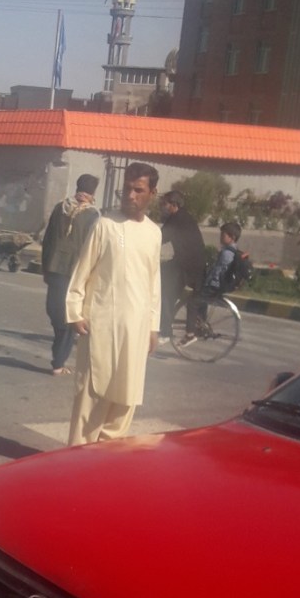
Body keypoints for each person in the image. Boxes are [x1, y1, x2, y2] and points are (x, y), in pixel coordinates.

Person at [65, 161, 162, 446]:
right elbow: (81, 272)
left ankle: (105, 463)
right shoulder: (104, 225)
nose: (131, 196)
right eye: (127, 190)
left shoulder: (154, 233)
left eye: (138, 190)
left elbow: (153, 283)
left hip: (136, 328)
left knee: (125, 399)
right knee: (90, 399)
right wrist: (75, 311)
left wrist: (153, 326)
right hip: (100, 324)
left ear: (152, 193)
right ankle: (75, 464)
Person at [41, 173, 99, 375]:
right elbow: (93, 249)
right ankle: (58, 362)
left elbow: (47, 239)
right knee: (68, 317)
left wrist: (45, 268)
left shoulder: (60, 208)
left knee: (55, 312)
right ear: (93, 193)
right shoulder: (93, 215)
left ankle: (58, 358)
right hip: (75, 273)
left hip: (54, 268)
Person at [159, 190, 206, 345]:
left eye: (165, 204)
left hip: (187, 267)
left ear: (174, 205)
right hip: (192, 264)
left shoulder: (176, 220)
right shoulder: (185, 217)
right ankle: (165, 325)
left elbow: (160, 237)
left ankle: (165, 332)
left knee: (165, 292)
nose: (163, 207)